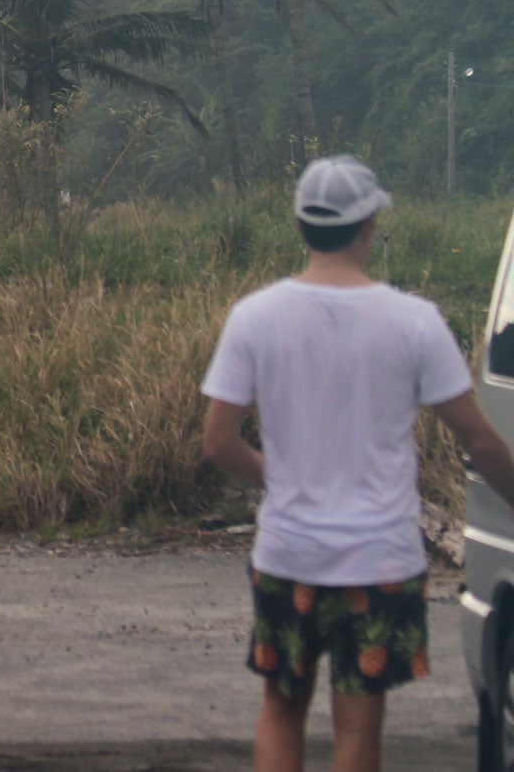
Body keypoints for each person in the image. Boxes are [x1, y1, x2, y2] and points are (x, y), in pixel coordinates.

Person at [201, 154, 514, 772]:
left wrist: (284, 476)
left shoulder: (254, 317)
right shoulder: (415, 323)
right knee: (359, 724)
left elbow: (218, 443)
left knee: (281, 708)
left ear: (301, 227)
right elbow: (477, 441)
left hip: (289, 557)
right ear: (368, 226)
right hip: (380, 563)